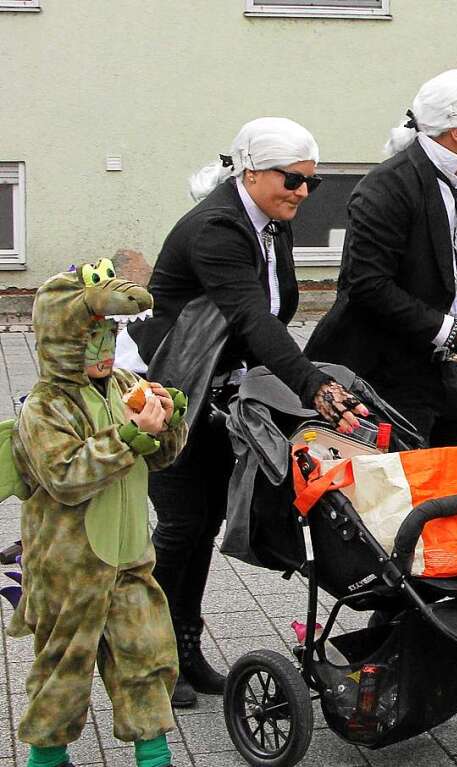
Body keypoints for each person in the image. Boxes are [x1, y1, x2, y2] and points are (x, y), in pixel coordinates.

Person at [116, 117, 368, 708]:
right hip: (169, 391)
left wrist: (311, 381)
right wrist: (310, 385)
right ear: (252, 172)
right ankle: (151, 664)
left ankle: (185, 651)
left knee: (201, 524)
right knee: (181, 528)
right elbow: (251, 316)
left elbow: (267, 325)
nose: (304, 193)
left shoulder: (269, 222)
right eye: (293, 180)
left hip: (217, 394)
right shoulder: (217, 228)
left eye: (312, 182)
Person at [7, 262, 188, 767]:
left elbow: (162, 456)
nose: (105, 349)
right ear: (62, 340)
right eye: (91, 336)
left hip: (129, 558)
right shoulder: (45, 406)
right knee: (62, 674)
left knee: (147, 661)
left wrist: (168, 421)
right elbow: (66, 476)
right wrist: (129, 435)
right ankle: (47, 759)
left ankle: (155, 758)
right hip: (70, 572)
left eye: (110, 333)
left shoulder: (125, 383)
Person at [304, 69, 457, 447]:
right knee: (399, 496)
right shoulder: (387, 186)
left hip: (438, 368)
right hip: (382, 373)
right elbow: (367, 286)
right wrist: (452, 331)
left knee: (454, 479)